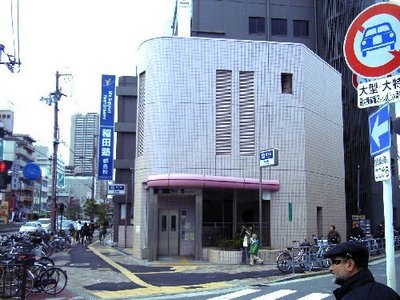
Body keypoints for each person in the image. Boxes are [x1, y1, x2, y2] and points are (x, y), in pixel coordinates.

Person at [323, 241, 399, 299]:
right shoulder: (389, 293)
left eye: (334, 262)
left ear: (350, 265)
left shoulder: (351, 297)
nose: (330, 268)